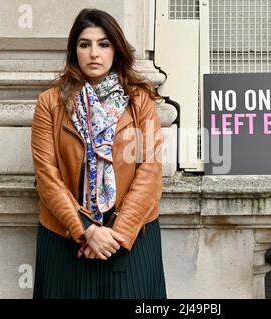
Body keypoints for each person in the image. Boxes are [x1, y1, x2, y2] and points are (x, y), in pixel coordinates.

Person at [31, 8, 166, 299]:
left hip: (130, 239)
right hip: (65, 238)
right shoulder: (50, 103)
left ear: (116, 50)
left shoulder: (140, 102)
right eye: (85, 44)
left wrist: (117, 234)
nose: (94, 53)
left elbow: (150, 173)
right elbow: (47, 177)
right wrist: (87, 230)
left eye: (103, 44)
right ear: (74, 51)